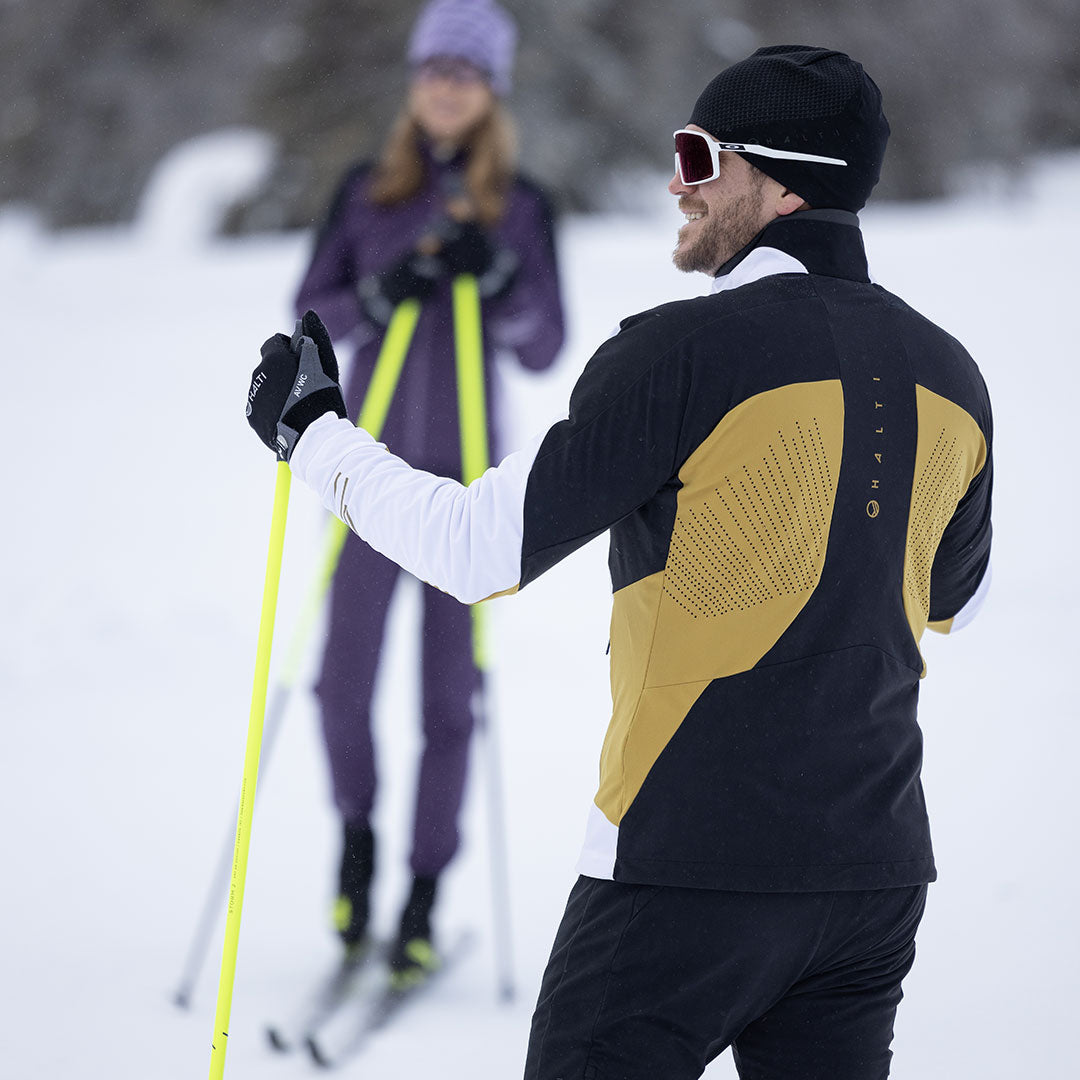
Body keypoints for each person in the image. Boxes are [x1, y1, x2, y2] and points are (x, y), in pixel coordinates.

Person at [248, 45, 993, 1079]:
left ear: (779, 183)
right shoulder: (953, 374)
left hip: (685, 867)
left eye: (698, 155)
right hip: (873, 881)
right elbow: (957, 594)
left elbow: (473, 549)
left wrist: (315, 436)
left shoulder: (680, 353)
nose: (675, 182)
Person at [290, 0, 564, 984]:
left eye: (467, 71)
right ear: (414, 82)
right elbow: (306, 314)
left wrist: (500, 281)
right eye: (433, 68)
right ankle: (358, 848)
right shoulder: (368, 191)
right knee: (339, 684)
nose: (446, 85)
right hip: (371, 484)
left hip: (468, 492)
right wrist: (376, 292)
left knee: (450, 701)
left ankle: (421, 894)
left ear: (492, 92)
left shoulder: (521, 202)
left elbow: (545, 341)